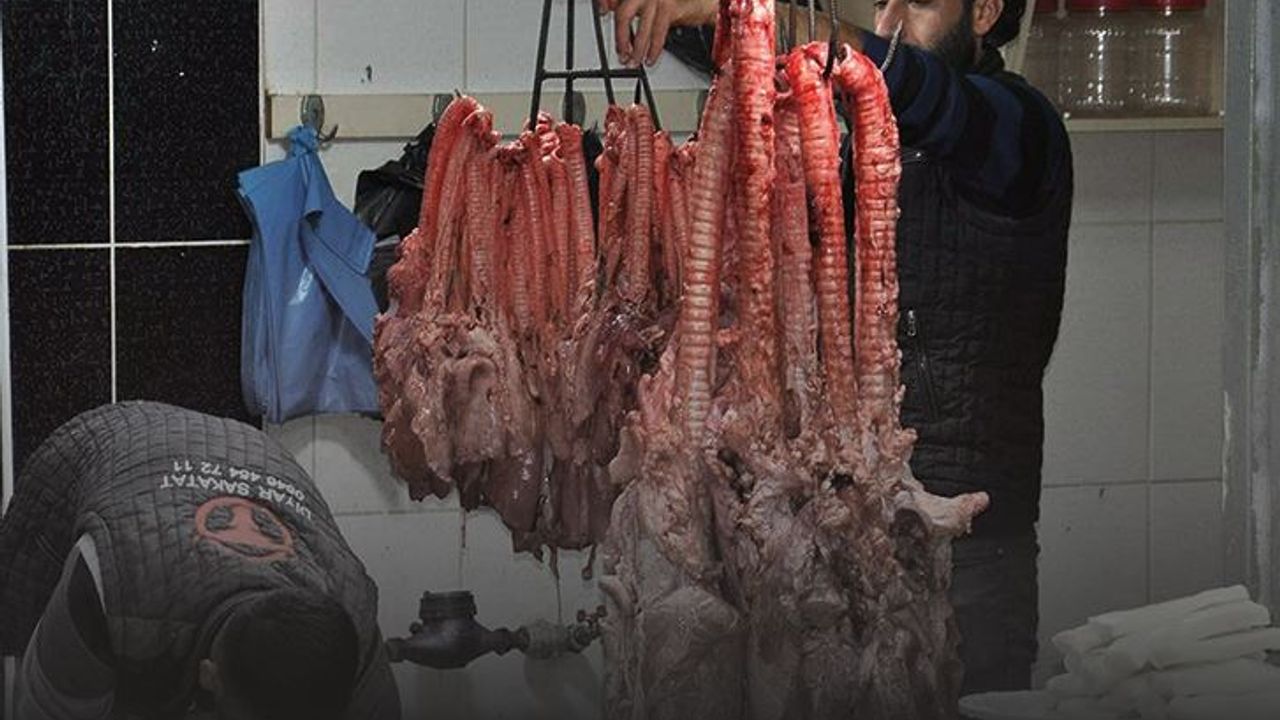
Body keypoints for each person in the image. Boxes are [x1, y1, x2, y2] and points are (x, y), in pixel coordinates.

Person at [596, 0, 1073, 695]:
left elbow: (919, 89)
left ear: (986, 12)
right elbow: (783, 55)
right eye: (881, 0)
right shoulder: (862, 137)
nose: (891, 18)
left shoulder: (1017, 128)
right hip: (838, 542)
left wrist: (744, 6)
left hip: (964, 557)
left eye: (918, 1)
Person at [0, 401, 402, 719]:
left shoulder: (351, 621)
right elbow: (50, 707)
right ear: (210, 675)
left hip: (251, 455)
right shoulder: (111, 578)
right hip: (104, 448)